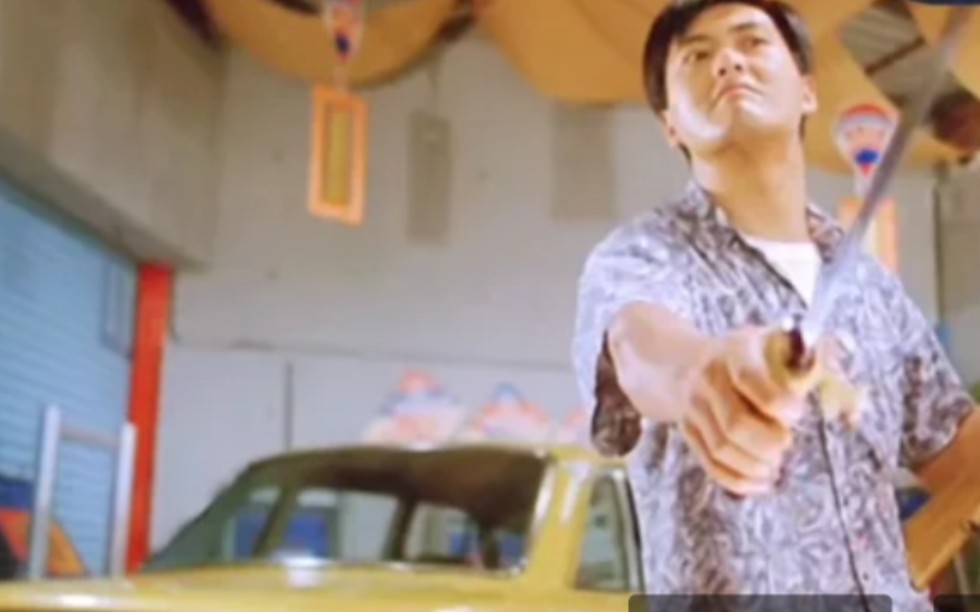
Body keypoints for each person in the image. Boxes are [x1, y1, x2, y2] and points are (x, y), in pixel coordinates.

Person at [570, 0, 978, 608]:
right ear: (670, 125)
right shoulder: (640, 256)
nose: (728, 61)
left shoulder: (868, 285)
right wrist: (704, 375)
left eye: (752, 42)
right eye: (697, 56)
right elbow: (640, 346)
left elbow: (956, 451)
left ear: (808, 91)